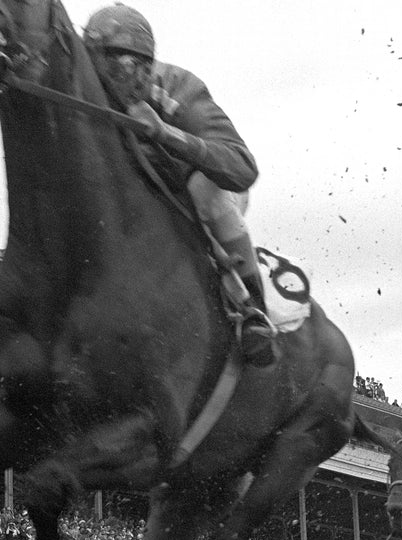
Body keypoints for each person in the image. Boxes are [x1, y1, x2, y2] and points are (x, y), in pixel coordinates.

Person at [82, 4, 275, 367]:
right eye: (97, 70)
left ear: (145, 64)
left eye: (121, 70)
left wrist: (165, 132)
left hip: (202, 189)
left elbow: (242, 168)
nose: (108, 85)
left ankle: (253, 311)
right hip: (143, 196)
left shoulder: (180, 88)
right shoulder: (84, 88)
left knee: (209, 198)